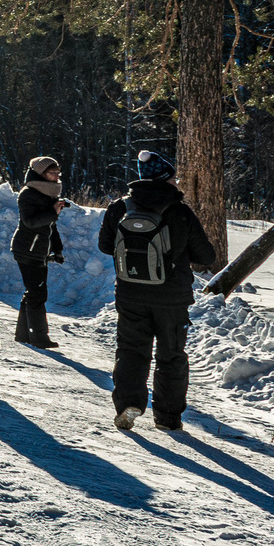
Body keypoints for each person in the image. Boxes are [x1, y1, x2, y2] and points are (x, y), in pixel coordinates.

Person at [97, 149, 220, 433]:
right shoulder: (179, 211)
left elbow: (105, 246)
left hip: (130, 293)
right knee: (171, 355)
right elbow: (206, 255)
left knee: (131, 350)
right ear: (166, 178)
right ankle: (167, 417)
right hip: (172, 298)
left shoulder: (120, 207)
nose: (178, 182)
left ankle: (129, 403)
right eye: (175, 177)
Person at [12, 156, 66, 347]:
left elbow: (51, 226)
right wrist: (53, 211)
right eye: (52, 173)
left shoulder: (48, 194)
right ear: (41, 173)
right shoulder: (28, 193)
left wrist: (57, 249)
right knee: (37, 294)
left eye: (58, 173)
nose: (56, 176)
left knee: (33, 292)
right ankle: (39, 337)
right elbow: (30, 222)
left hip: (38, 250)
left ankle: (24, 334)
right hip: (27, 249)